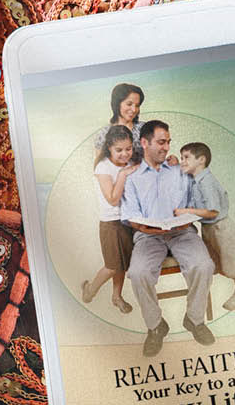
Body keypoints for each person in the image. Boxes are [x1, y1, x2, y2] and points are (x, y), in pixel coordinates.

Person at [120, 120, 215, 357]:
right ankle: (156, 326)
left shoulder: (180, 170)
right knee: (139, 272)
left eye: (168, 142)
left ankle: (194, 320)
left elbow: (196, 203)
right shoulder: (132, 178)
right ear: (144, 143)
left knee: (204, 265)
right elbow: (131, 216)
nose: (166, 147)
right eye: (161, 142)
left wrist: (188, 216)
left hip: (182, 232)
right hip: (148, 236)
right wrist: (147, 228)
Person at [174, 141, 235, 311]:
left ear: (201, 160)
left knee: (229, 264)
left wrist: (187, 211)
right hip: (208, 229)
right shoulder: (195, 179)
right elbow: (182, 177)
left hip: (220, 228)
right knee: (218, 264)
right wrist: (175, 163)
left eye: (186, 158)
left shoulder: (207, 182)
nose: (182, 161)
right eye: (181, 157)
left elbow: (213, 212)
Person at [82, 125, 137, 313]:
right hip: (111, 223)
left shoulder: (130, 164)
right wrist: (122, 175)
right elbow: (113, 200)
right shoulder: (103, 166)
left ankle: (116, 297)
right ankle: (90, 288)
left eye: (128, 149)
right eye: (119, 150)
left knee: (122, 264)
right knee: (113, 266)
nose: (125, 154)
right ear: (109, 149)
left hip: (129, 221)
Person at [92, 83, 144, 162]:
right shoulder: (103, 134)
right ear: (117, 104)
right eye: (129, 104)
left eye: (137, 105)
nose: (134, 109)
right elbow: (100, 168)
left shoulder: (144, 128)